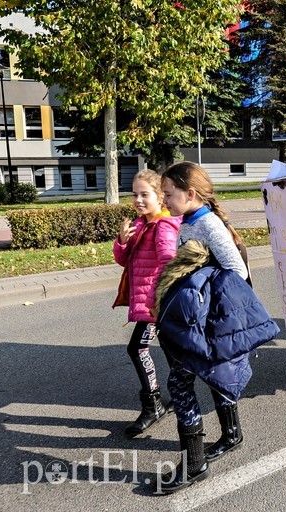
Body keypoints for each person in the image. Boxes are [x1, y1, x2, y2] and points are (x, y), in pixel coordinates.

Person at [155, 161, 254, 493]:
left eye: (168, 193)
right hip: (195, 320)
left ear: (190, 193)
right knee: (212, 375)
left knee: (180, 385)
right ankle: (231, 434)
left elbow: (237, 272)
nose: (164, 199)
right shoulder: (188, 220)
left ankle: (194, 465)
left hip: (205, 322)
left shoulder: (209, 225)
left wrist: (202, 298)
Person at [112, 169, 181, 438]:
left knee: (137, 347)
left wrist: (160, 299)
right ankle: (179, 392)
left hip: (155, 304)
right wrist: (122, 241)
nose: (138, 200)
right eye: (135, 194)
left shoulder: (163, 225)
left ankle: (153, 405)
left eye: (145, 194)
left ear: (161, 197)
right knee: (169, 347)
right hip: (147, 301)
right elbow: (124, 260)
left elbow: (168, 262)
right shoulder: (141, 224)